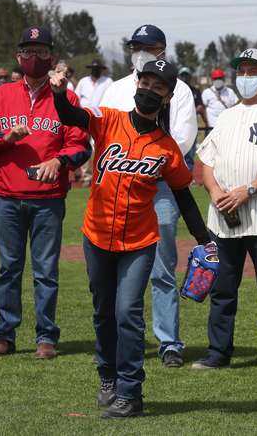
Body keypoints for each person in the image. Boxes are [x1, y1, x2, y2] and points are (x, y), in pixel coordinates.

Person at [51, 59, 211, 418]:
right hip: (96, 235)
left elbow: (184, 196)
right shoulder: (108, 120)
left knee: (128, 313)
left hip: (139, 242)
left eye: (159, 87)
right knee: (103, 312)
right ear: (137, 84)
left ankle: (130, 392)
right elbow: (70, 116)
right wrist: (60, 93)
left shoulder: (166, 147)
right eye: (147, 83)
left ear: (168, 97)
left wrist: (204, 238)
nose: (150, 90)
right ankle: (107, 377)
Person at [0, 26, 91, 359]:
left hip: (48, 199)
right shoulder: (2, 94)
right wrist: (5, 138)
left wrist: (60, 160)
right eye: (27, 50)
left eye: (40, 51)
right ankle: (4, 336)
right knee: (9, 268)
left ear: (51, 56)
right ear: (17, 56)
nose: (33, 57)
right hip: (7, 195)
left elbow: (81, 145)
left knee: (45, 271)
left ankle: (46, 337)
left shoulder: (65, 97)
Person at [101, 24, 197, 368]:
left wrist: (142, 158)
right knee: (113, 269)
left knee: (161, 267)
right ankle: (122, 339)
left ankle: (169, 340)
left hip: (159, 186)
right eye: (136, 45)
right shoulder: (115, 89)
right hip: (116, 186)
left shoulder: (179, 90)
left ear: (163, 49)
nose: (141, 50)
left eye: (149, 45)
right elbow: (99, 135)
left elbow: (183, 140)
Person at [194, 48, 257, 376]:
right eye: (241, 71)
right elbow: (206, 161)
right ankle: (218, 352)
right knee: (221, 288)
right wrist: (215, 191)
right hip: (224, 218)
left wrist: (249, 189)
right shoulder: (226, 116)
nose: (245, 76)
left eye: (253, 71)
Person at [178, 67, 206, 172]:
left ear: (190, 77)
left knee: (190, 153)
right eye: (182, 75)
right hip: (177, 126)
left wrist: (191, 110)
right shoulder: (175, 91)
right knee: (177, 152)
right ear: (179, 77)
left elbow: (200, 107)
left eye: (186, 75)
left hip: (190, 127)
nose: (184, 78)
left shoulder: (195, 91)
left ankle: (188, 176)